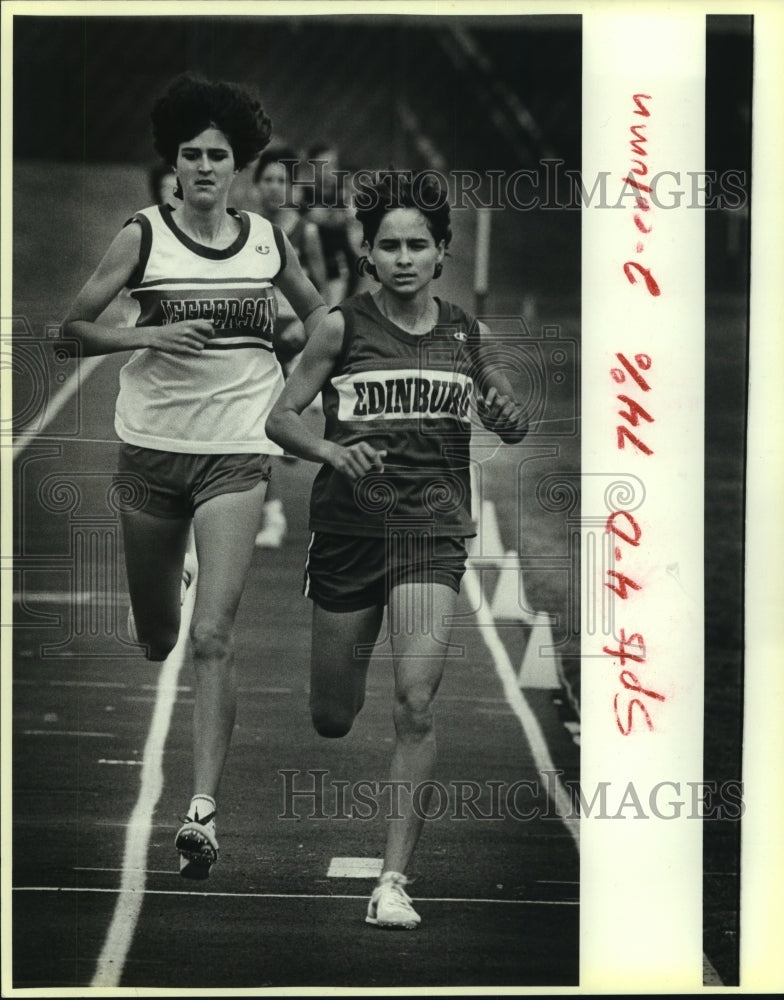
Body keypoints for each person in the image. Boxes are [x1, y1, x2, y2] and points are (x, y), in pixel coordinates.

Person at [62, 71, 327, 879]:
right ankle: (162, 595)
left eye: (219, 155)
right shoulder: (143, 237)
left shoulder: (265, 242)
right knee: (157, 639)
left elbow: (321, 317)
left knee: (214, 636)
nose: (205, 168)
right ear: (172, 164)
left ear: (239, 162)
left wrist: (298, 382)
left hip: (235, 455)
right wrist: (145, 339)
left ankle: (203, 809)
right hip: (150, 451)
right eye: (191, 155)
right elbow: (69, 332)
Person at [265, 171, 528, 928]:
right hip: (349, 536)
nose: (404, 257)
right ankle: (384, 862)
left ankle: (391, 881)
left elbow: (509, 425)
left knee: (415, 701)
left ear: (441, 253)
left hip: (432, 534)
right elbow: (280, 419)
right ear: (369, 254)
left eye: (418, 244)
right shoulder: (339, 329)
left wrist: (508, 411)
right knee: (333, 715)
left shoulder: (466, 335)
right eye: (390, 246)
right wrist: (331, 453)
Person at [251, 145, 329, 548]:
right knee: (256, 430)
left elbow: (321, 287)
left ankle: (291, 436)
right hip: (253, 337)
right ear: (256, 185)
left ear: (290, 187)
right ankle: (272, 514)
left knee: (280, 432)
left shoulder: (303, 231)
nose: (273, 187)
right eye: (267, 179)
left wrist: (309, 331)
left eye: (281, 180)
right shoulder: (242, 229)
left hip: (292, 336)